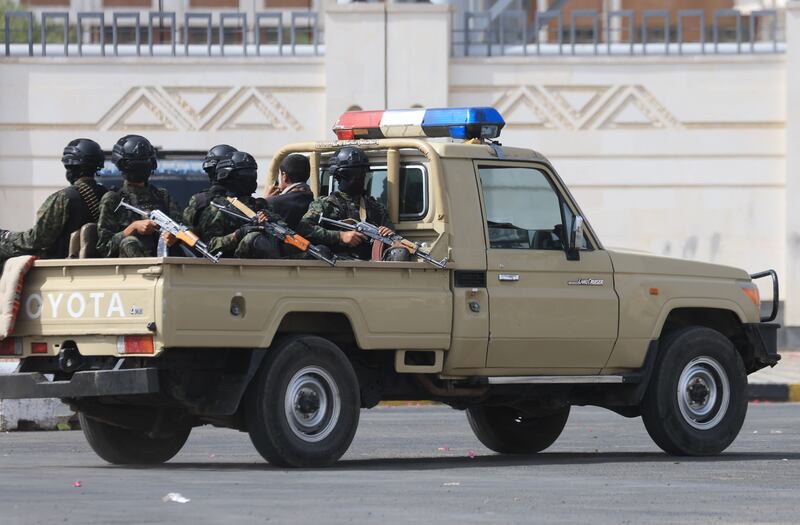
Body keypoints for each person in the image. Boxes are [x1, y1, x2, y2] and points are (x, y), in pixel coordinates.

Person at [0, 138, 107, 263]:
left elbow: (36, 240)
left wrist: (6, 236)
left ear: (71, 166)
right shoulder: (105, 194)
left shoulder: (64, 197)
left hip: (59, 263)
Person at [296, 146, 395, 260]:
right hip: (336, 265)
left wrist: (389, 235)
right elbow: (304, 229)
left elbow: (393, 240)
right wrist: (340, 236)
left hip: (372, 265)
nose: (359, 178)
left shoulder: (376, 208)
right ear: (339, 175)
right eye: (353, 174)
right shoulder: (324, 205)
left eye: (362, 173)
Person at [96, 135, 182, 258]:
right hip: (132, 268)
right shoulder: (113, 199)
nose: (139, 170)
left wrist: (175, 236)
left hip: (166, 264)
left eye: (143, 165)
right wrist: (133, 228)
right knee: (129, 242)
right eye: (134, 166)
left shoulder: (162, 196)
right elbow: (104, 248)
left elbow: (185, 228)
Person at [193, 151, 283, 259]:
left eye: (252, 173)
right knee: (253, 237)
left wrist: (271, 224)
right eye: (245, 174)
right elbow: (208, 246)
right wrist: (238, 234)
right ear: (228, 176)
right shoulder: (217, 208)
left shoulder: (260, 206)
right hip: (231, 265)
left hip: (269, 264)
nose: (250, 178)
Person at [184, 144, 238, 228]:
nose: (209, 174)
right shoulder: (202, 200)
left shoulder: (201, 200)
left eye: (211, 170)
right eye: (209, 170)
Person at [264, 153, 314, 229]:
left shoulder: (272, 203)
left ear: (284, 176)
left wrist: (265, 201)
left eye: (279, 174)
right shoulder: (313, 200)